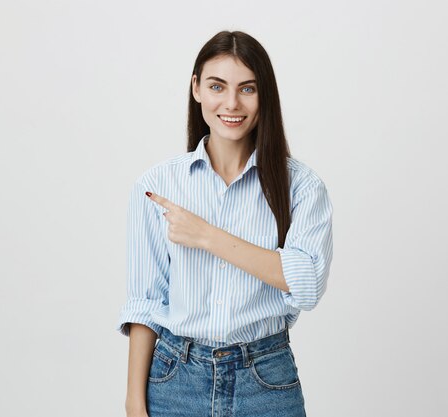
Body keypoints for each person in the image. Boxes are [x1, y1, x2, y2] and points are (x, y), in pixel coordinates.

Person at [116, 30, 334, 417]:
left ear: (264, 95)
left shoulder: (301, 186)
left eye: (247, 89)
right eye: (217, 86)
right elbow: (146, 303)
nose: (231, 103)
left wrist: (206, 235)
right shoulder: (157, 185)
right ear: (196, 87)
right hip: (173, 380)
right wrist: (134, 403)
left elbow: (307, 281)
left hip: (266, 380)